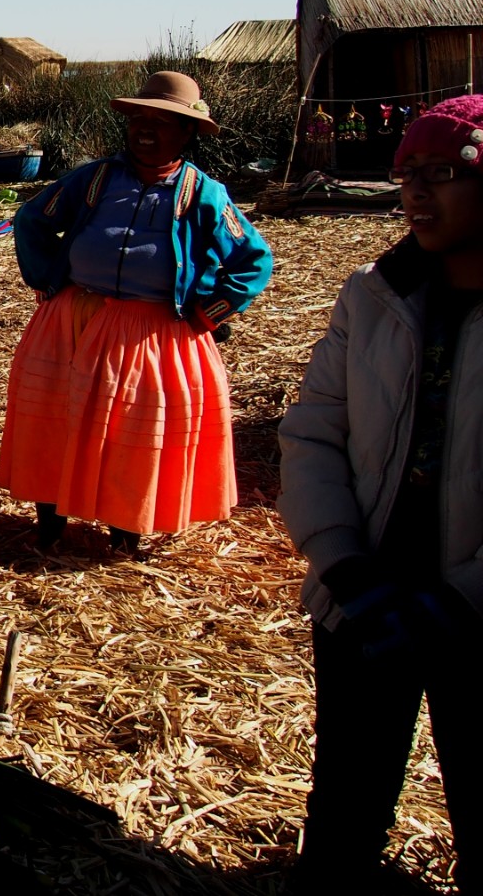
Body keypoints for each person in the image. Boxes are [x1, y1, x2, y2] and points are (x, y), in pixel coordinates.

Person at [278, 93, 483, 893]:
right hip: (366, 593)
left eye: (445, 173)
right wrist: (342, 565)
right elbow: (313, 431)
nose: (417, 194)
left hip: (472, 609)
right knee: (349, 795)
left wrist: (462, 600)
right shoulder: (374, 295)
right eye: (407, 175)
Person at [0, 70, 273, 553]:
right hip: (74, 319)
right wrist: (47, 280)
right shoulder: (94, 179)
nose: (146, 130)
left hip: (151, 331)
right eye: (139, 119)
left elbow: (253, 260)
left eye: (162, 122)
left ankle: (125, 530)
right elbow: (31, 219)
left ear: (186, 133)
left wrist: (210, 314)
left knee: (132, 432)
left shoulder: (203, 194)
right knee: (56, 421)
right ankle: (50, 523)